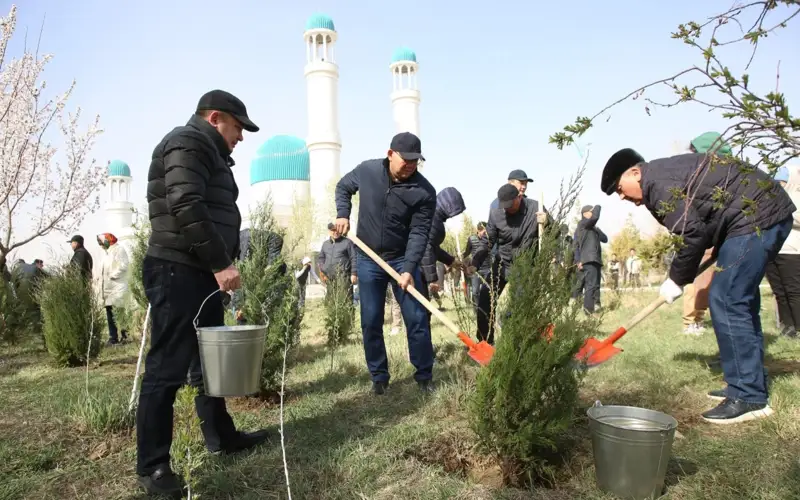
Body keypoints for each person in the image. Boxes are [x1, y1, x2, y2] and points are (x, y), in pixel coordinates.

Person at [601, 146, 795, 424]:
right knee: (739, 299)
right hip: (755, 215)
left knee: (727, 298)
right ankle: (747, 381)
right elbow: (702, 224)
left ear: (635, 172)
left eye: (620, 189)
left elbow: (692, 234)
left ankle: (749, 395)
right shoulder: (662, 177)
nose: (622, 197)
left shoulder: (657, 185)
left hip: (757, 217)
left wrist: (676, 279)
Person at [137, 89, 269, 495]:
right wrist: (220, 263)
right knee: (166, 368)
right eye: (238, 127)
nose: (241, 136)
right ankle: (154, 467)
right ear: (215, 118)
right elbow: (186, 203)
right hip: (178, 269)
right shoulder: (187, 142)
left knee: (208, 366)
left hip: (199, 272)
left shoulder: (207, 150)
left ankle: (221, 437)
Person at [334, 131, 436, 395]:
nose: (411, 165)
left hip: (401, 259)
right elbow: (343, 187)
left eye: (415, 161)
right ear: (390, 154)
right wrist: (343, 214)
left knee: (416, 318)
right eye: (406, 160)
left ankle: (424, 376)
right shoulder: (367, 171)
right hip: (368, 257)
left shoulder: (424, 192)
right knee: (370, 320)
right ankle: (379, 377)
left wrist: (409, 267)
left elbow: (419, 233)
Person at [472, 184, 549, 345]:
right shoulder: (497, 213)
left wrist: (546, 223)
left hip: (525, 266)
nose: (507, 209)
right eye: (504, 206)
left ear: (519, 197)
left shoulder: (536, 208)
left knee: (518, 306)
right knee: (485, 297)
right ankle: (485, 343)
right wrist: (475, 262)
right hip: (502, 264)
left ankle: (514, 344)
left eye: (510, 205)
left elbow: (555, 232)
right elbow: (487, 241)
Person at [765, 166, 800, 338]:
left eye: (782, 181)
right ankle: (788, 327)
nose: (779, 184)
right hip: (771, 249)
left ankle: (798, 326)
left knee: (793, 290)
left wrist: (781, 214)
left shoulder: (797, 197)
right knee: (779, 291)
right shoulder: (770, 198)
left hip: (792, 251)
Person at [421, 187, 467, 313]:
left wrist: (451, 261)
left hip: (416, 268)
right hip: (415, 269)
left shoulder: (432, 216)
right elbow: (427, 248)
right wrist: (432, 279)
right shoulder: (432, 220)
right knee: (420, 313)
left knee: (423, 311)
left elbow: (433, 248)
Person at [96, 233, 130, 346]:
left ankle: (125, 336)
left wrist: (113, 275)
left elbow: (124, 265)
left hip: (117, 286)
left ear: (108, 241)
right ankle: (113, 337)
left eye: (101, 242)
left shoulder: (118, 250)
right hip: (108, 288)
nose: (100, 245)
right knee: (109, 312)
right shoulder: (107, 253)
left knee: (119, 312)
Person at [574, 205, 608, 314]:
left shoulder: (592, 227)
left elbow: (605, 239)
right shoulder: (582, 224)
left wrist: (597, 229)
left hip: (596, 259)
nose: (593, 213)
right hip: (588, 259)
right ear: (585, 214)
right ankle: (588, 310)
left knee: (596, 285)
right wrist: (597, 207)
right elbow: (575, 246)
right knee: (590, 285)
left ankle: (596, 305)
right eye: (591, 211)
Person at [318, 222, 358, 296]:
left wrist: (354, 274)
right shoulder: (325, 244)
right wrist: (323, 270)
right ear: (329, 231)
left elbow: (354, 258)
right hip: (329, 278)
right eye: (333, 230)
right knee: (331, 301)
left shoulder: (348, 242)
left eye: (337, 230)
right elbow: (321, 258)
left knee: (345, 300)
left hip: (343, 278)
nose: (336, 232)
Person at [463, 222, 489, 308]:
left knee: (488, 291)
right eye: (483, 232)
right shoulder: (471, 239)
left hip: (487, 268)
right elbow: (467, 252)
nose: (484, 234)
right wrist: (461, 258)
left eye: (486, 232)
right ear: (478, 230)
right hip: (475, 269)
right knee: (475, 292)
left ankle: (487, 309)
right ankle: (478, 309)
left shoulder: (489, 239)